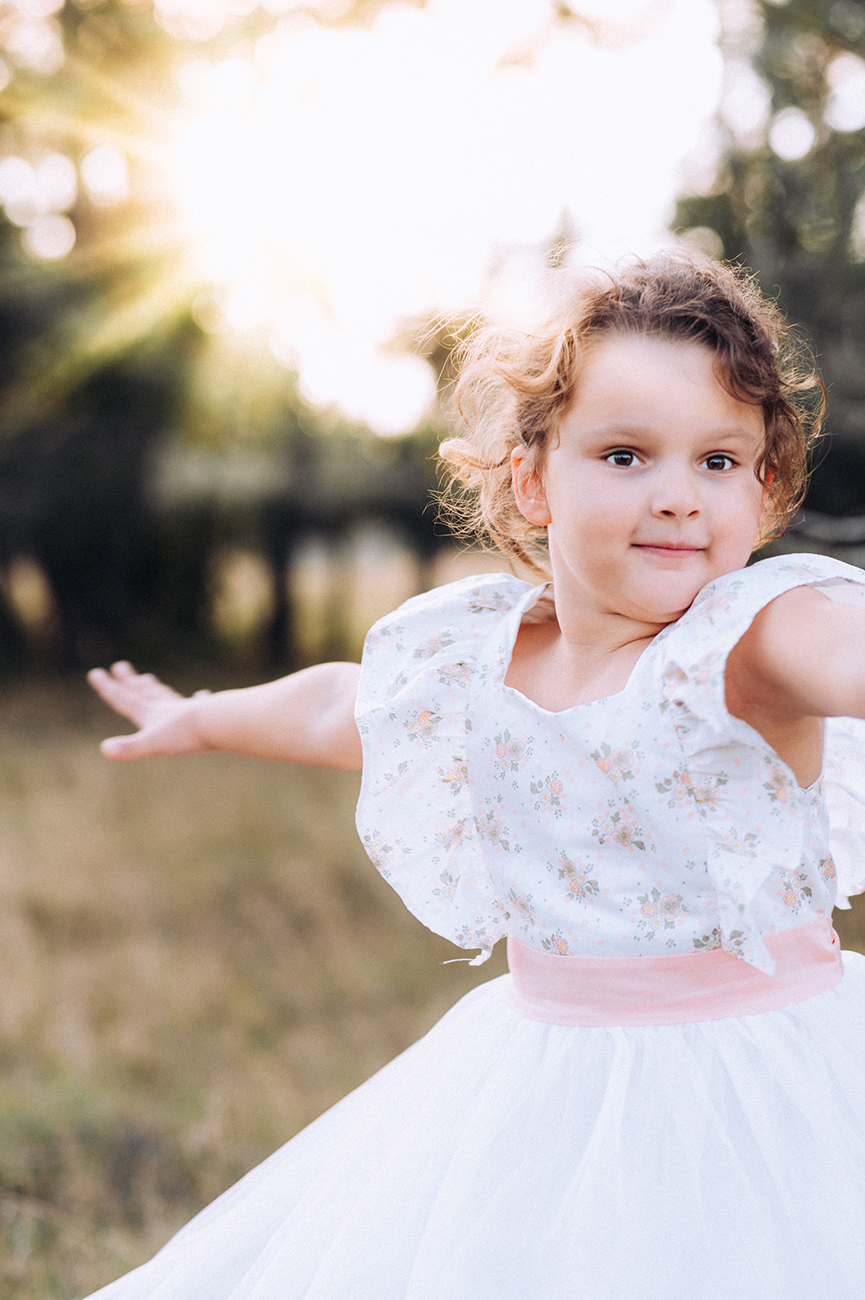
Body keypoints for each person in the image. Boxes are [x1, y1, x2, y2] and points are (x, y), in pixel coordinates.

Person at [85, 253, 865, 1300]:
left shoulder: (757, 636)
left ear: (763, 485)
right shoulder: (476, 654)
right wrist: (201, 715)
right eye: (627, 455)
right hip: (549, 1069)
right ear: (533, 479)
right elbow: (339, 704)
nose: (678, 496)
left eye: (719, 461)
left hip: (760, 1074)